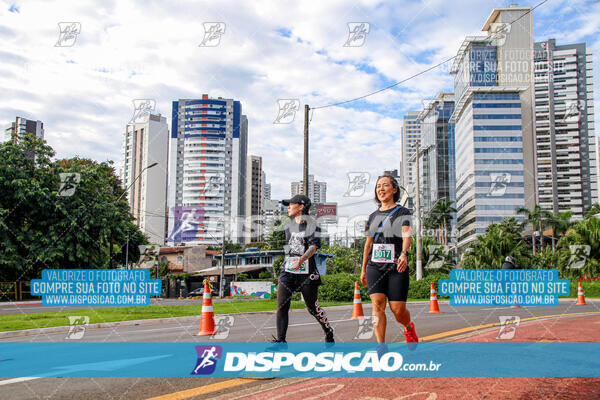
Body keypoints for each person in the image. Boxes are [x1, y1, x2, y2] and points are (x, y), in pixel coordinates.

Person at [361, 174, 418, 350]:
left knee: (398, 310)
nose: (381, 189)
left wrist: (404, 253)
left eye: (385, 185)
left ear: (394, 189)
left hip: (396, 266)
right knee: (377, 303)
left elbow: (406, 234)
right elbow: (368, 244)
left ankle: (408, 327)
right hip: (375, 266)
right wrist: (363, 269)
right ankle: (381, 346)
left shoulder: (402, 212)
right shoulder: (372, 216)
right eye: (378, 186)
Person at [270, 194, 334, 346]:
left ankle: (328, 331)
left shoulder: (313, 225)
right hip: (288, 271)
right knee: (282, 306)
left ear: (301, 207)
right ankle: (281, 342)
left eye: (291, 204)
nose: (288, 207)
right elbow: (289, 248)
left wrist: (301, 260)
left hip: (307, 273)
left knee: (312, 307)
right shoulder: (288, 227)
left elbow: (313, 247)